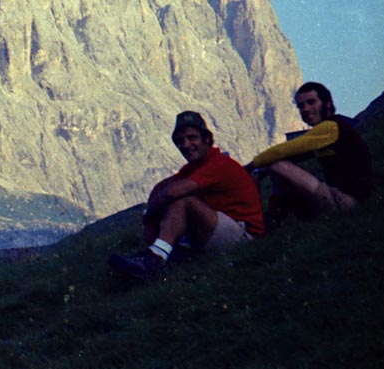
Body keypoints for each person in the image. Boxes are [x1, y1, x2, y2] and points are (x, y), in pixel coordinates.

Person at [108, 111, 266, 280]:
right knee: (178, 198)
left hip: (245, 236)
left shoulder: (218, 163)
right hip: (224, 229)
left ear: (207, 139)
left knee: (184, 200)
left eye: (192, 138)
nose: (186, 144)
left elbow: (172, 192)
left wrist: (149, 216)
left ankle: (154, 260)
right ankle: (159, 254)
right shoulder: (194, 167)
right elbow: (163, 186)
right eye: (180, 141)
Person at [246, 82, 371, 225]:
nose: (305, 109)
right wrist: (260, 172)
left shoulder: (331, 127)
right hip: (344, 198)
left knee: (278, 166)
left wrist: (248, 168)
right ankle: (273, 218)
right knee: (277, 166)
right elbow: (290, 155)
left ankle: (273, 219)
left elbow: (279, 151)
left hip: (346, 201)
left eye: (311, 102)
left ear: (328, 104)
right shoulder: (328, 131)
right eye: (301, 105)